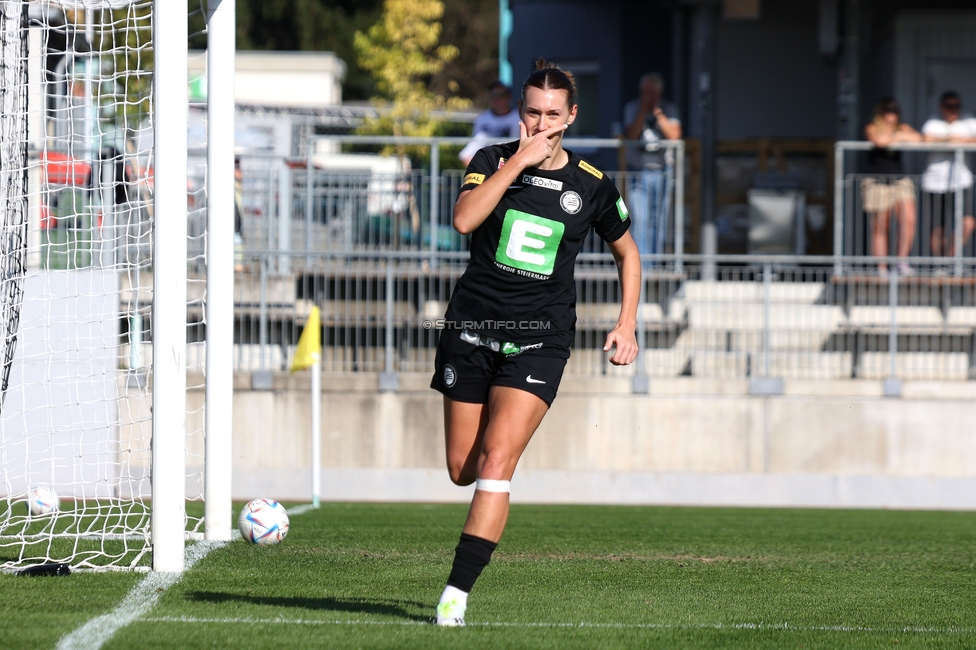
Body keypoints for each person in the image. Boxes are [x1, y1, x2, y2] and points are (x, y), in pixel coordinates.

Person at [430, 59, 641, 626]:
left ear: (571, 117)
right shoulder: (491, 161)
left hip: (540, 340)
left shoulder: (593, 186)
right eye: (532, 113)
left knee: (499, 460)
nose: (542, 124)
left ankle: (455, 596)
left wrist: (627, 323)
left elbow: (628, 253)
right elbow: (465, 220)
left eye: (553, 115)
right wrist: (518, 162)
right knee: (462, 468)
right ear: (520, 113)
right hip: (471, 330)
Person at [622, 72, 682, 259]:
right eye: (646, 92)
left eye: (653, 92)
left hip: (663, 172)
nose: (648, 96)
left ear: (660, 92)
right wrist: (643, 110)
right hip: (638, 171)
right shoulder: (632, 108)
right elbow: (631, 134)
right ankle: (642, 263)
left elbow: (674, 135)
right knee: (640, 219)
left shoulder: (668, 110)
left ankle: (654, 261)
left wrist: (656, 112)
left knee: (659, 220)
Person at [861, 97, 922, 275]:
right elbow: (878, 141)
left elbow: (918, 138)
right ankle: (881, 267)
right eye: (888, 109)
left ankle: (901, 261)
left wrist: (894, 136)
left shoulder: (901, 127)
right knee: (881, 226)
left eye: (895, 110)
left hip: (899, 180)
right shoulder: (871, 127)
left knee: (908, 219)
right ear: (880, 112)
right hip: (877, 181)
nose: (892, 113)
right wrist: (896, 137)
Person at [921, 90, 976, 258]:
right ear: (941, 107)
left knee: (967, 224)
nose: (953, 109)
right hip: (934, 182)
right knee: (938, 229)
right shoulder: (933, 122)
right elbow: (927, 139)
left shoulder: (969, 121)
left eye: (956, 106)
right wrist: (952, 141)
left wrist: (948, 141)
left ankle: (948, 261)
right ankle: (938, 264)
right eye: (949, 106)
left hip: (961, 182)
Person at [459, 80, 522, 166]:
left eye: (501, 95)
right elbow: (472, 148)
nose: (497, 98)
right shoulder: (482, 118)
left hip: (512, 161)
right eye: (493, 94)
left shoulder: (519, 117)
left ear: (508, 96)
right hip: (489, 162)